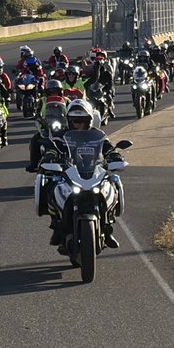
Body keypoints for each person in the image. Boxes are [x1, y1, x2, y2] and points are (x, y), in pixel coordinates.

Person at [42, 99, 124, 249]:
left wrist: (115, 156)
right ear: (68, 120)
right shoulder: (60, 136)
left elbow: (109, 148)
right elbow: (53, 148)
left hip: (94, 172)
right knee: (51, 186)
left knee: (114, 182)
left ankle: (107, 228)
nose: (78, 124)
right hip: (69, 173)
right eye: (74, 120)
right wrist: (49, 156)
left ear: (89, 120)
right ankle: (57, 227)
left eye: (82, 120)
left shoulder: (98, 135)